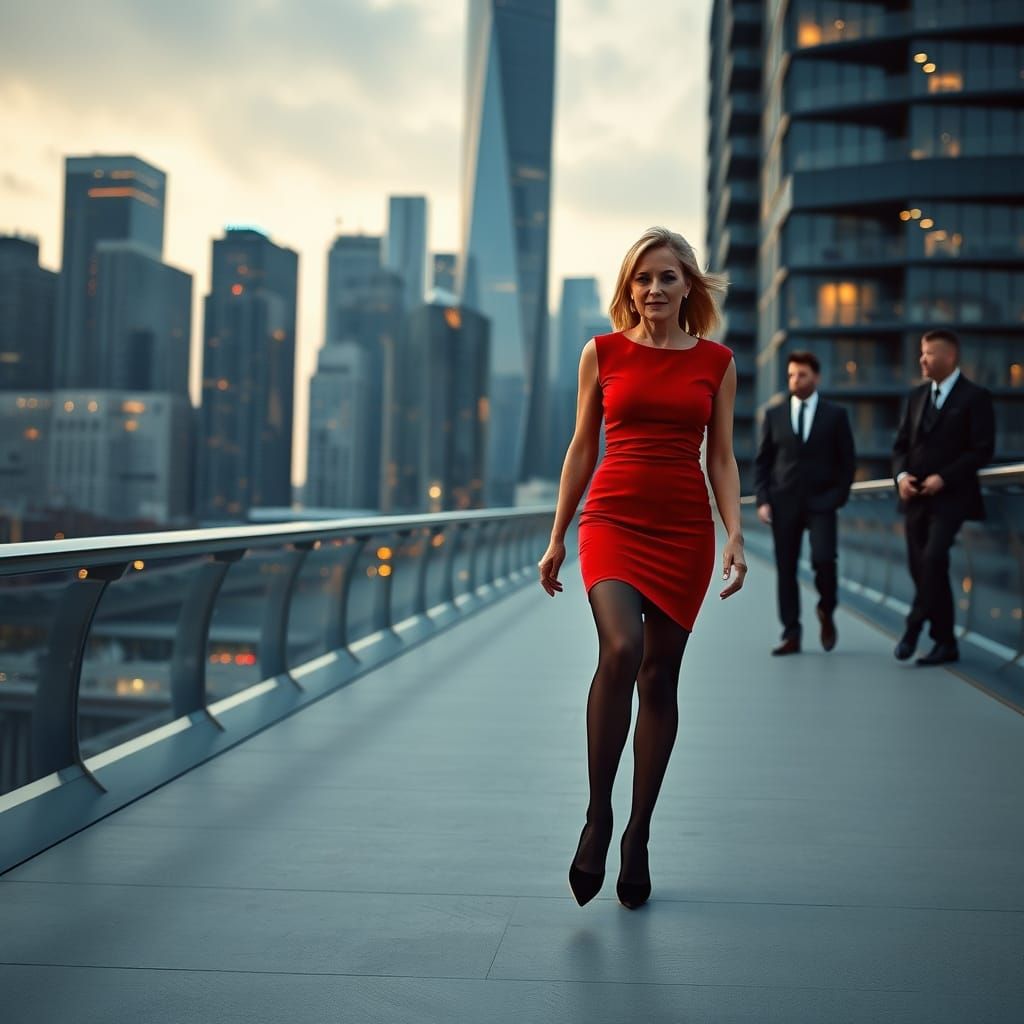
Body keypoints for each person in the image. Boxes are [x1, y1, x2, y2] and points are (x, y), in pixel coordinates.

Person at [537, 227, 746, 910]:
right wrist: (558, 534)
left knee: (661, 675)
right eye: (642, 279)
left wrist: (734, 533)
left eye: (666, 278)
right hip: (612, 521)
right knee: (622, 647)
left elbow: (720, 456)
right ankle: (598, 816)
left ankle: (639, 834)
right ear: (628, 289)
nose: (653, 289)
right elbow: (580, 447)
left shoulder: (717, 361)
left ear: (689, 286)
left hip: (684, 529)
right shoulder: (602, 353)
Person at [892, 329, 995, 665]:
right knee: (921, 568)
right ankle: (946, 641)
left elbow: (982, 451)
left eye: (929, 353)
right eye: (921, 353)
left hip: (952, 498)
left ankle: (912, 630)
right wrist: (902, 476)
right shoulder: (916, 396)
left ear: (950, 357)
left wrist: (944, 478)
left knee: (934, 560)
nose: (922, 359)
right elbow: (901, 447)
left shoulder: (975, 397)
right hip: (915, 499)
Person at [753, 352, 856, 655]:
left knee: (824, 560)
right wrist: (762, 500)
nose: (795, 381)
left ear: (816, 378)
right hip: (783, 502)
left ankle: (826, 608)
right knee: (786, 570)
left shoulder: (835, 415)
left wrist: (837, 497)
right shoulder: (775, 415)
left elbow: (847, 462)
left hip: (823, 502)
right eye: (791, 376)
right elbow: (763, 462)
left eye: (802, 375)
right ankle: (791, 633)